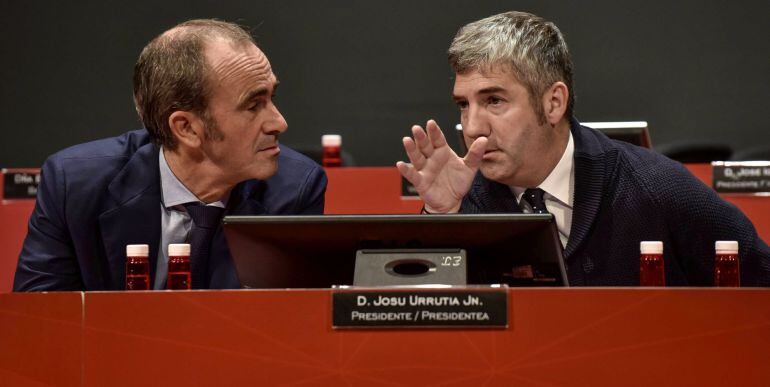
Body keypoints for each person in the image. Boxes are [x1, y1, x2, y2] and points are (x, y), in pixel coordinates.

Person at [397, 11, 770, 286]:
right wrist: (440, 217)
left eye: (494, 100)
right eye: (463, 105)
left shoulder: (656, 188)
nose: (472, 126)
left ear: (553, 103)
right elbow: (426, 332)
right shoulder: (465, 201)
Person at [14, 19, 327, 291]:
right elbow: (41, 321)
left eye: (272, 97)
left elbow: (279, 324)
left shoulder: (294, 190)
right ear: (186, 128)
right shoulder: (75, 186)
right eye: (253, 105)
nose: (279, 123)